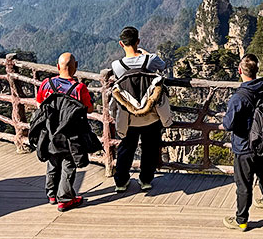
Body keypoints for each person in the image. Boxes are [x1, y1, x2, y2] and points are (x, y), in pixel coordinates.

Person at [222, 54, 263, 232]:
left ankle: (241, 220)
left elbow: (228, 124)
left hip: (244, 145)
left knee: (244, 183)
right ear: (257, 70)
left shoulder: (239, 97)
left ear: (240, 71)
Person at [32, 52, 96, 212]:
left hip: (49, 132)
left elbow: (40, 103)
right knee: (69, 165)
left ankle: (52, 195)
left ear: (57, 66)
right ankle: (65, 199)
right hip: (71, 135)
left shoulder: (47, 84)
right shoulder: (79, 88)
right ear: (76, 67)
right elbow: (89, 109)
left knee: (53, 163)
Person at [110, 26, 170, 193]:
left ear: (121, 44)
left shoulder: (117, 65)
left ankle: (121, 181)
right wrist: (145, 55)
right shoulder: (150, 60)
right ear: (138, 41)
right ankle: (145, 180)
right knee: (150, 148)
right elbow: (163, 66)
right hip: (151, 115)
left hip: (129, 117)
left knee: (126, 148)